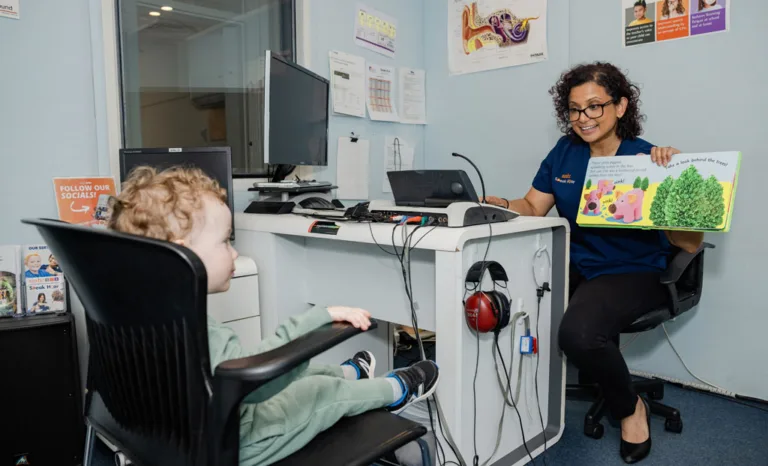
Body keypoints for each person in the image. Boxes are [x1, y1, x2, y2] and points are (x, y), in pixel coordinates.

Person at [108, 166, 440, 466]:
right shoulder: (194, 328)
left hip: (173, 435)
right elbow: (257, 384)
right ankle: (398, 390)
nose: (234, 251)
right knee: (319, 395)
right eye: (225, 242)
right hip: (237, 441)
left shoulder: (139, 310)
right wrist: (319, 317)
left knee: (303, 377)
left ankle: (348, 373)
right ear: (183, 254)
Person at [484, 62, 703, 464]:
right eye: (574, 109)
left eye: (594, 107)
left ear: (620, 107)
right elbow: (533, 205)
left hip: (633, 270)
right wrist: (499, 203)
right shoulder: (564, 152)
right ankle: (507, 403)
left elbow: (690, 242)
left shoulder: (649, 158)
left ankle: (629, 407)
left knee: (578, 336)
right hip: (578, 263)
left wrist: (676, 182)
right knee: (508, 298)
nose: (582, 118)